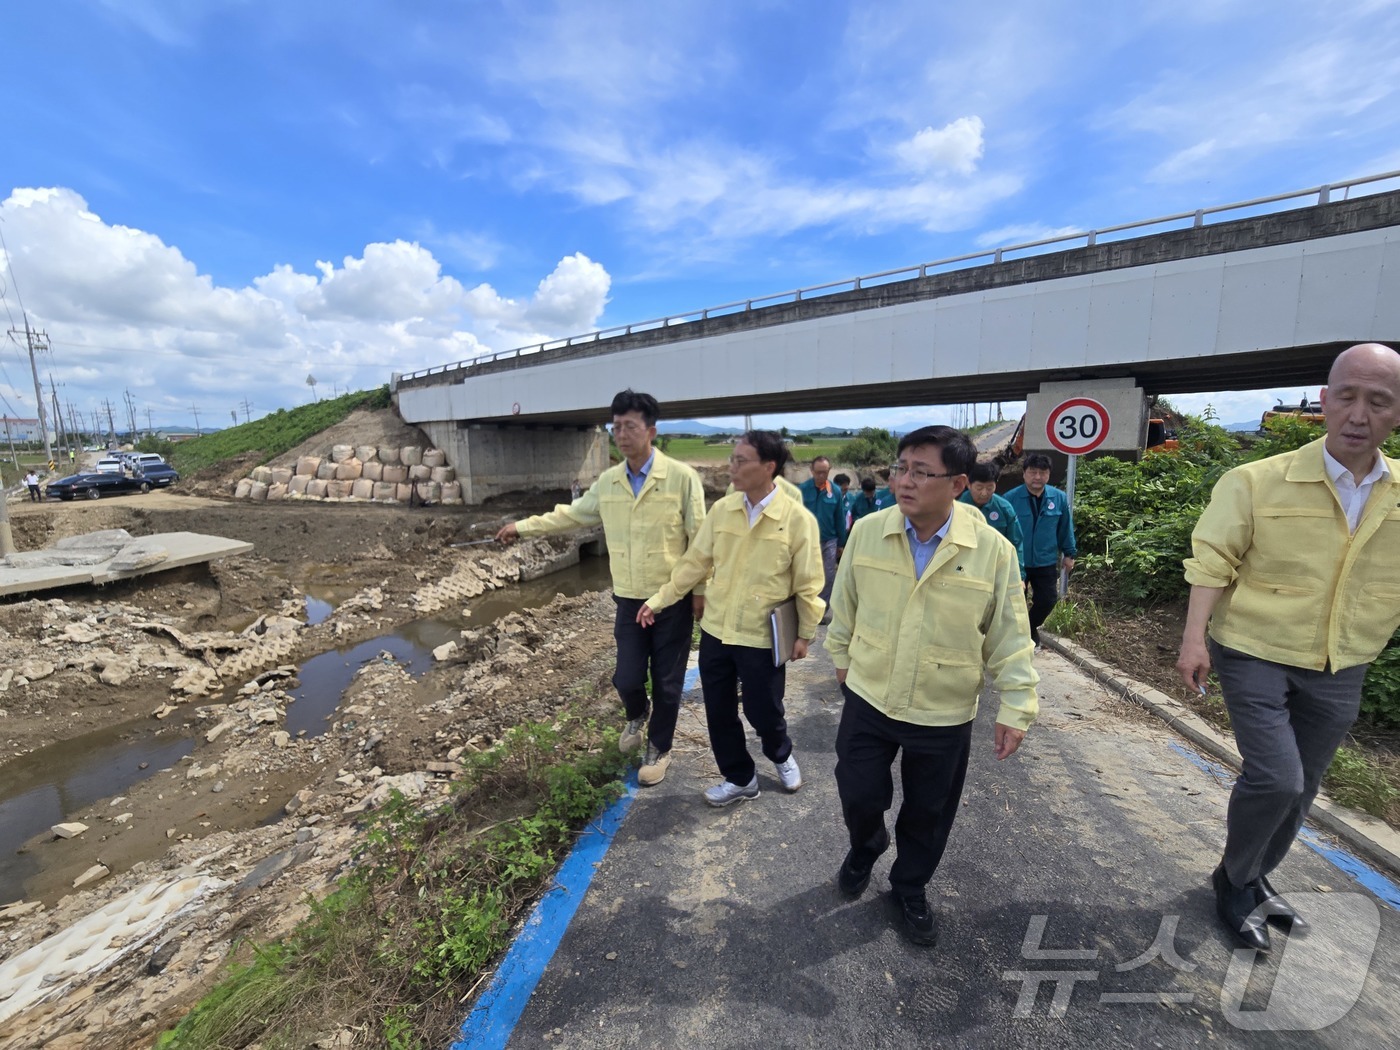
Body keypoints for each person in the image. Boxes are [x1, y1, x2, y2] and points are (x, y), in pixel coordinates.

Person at [1176, 342, 1400, 953]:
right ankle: (1233, 881)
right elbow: (1212, 561)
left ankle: (1251, 876)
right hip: (1252, 647)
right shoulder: (1255, 481)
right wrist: (1194, 639)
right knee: (1275, 778)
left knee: (1304, 786)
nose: (1359, 414)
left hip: (1343, 660)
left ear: (1397, 412)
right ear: (1324, 402)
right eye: (1347, 396)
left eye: (1378, 401)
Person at [827, 425, 1037, 946]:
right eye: (901, 468)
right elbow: (845, 602)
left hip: (943, 708)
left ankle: (909, 886)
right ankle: (866, 843)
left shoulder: (992, 551)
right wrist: (840, 656)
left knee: (928, 811)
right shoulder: (868, 532)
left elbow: (1011, 635)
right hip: (871, 693)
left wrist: (1017, 702)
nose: (905, 481)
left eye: (922, 472)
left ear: (959, 483)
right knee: (857, 789)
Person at [496, 390, 706, 787]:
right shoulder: (609, 482)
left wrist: (701, 590)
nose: (621, 434)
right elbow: (572, 515)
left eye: (630, 426)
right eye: (616, 427)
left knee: (667, 681)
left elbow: (700, 541)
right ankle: (636, 715)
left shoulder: (682, 479)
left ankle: (659, 749)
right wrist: (521, 527)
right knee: (626, 677)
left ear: (651, 432)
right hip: (628, 599)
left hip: (672, 600)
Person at [638, 430, 824, 807]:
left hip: (761, 635)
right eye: (732, 459)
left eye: (741, 461)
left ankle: (780, 752)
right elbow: (694, 563)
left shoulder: (796, 520)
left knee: (764, 708)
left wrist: (804, 633)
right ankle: (740, 778)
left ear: (768, 467)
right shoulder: (723, 512)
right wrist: (658, 600)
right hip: (717, 631)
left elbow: (808, 583)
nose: (731, 467)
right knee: (719, 711)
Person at [1005, 453, 1077, 646]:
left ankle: (1028, 629)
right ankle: (1019, 638)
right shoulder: (1010, 499)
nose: (1037, 477)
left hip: (1045, 560)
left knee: (1047, 600)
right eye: (1033, 472)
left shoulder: (1059, 498)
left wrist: (1069, 553)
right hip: (1015, 562)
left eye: (1042, 472)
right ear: (1024, 474)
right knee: (1014, 603)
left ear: (1049, 474)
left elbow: (1065, 527)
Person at [798, 456, 847, 623]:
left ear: (829, 471)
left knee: (828, 575)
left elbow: (840, 518)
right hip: (807, 540)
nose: (821, 476)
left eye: (824, 472)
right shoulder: (802, 490)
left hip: (829, 540)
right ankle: (805, 609)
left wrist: (842, 542)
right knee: (806, 575)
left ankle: (821, 610)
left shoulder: (835, 491)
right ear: (812, 471)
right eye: (818, 472)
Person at [958, 461, 1026, 580]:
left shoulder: (1004, 508)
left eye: (989, 488)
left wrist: (1018, 576)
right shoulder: (956, 507)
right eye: (979, 488)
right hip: (963, 568)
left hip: (995, 569)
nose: (984, 493)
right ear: (968, 484)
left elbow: (1015, 543)